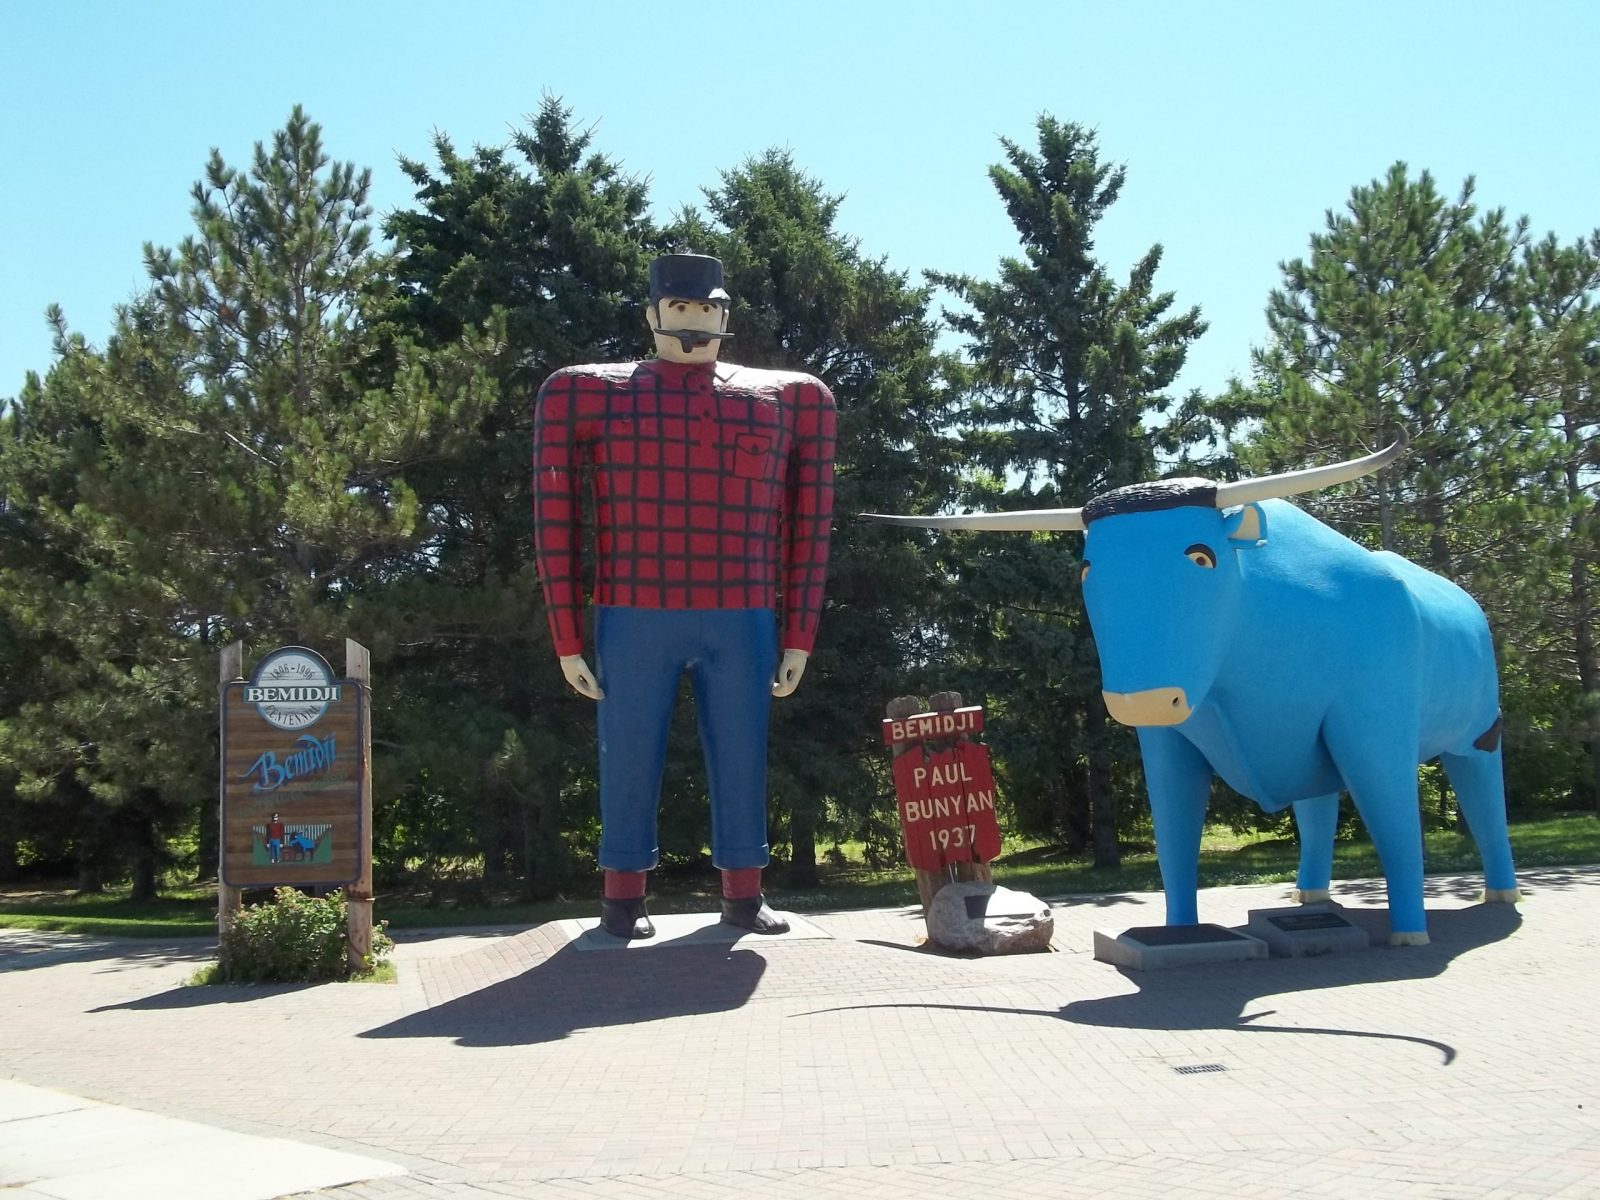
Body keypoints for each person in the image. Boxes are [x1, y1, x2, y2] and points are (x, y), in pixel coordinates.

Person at [533, 253, 837, 940]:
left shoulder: (795, 400)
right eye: (680, 311)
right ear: (652, 316)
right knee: (628, 748)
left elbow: (811, 524)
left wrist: (799, 633)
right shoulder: (585, 393)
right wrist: (567, 636)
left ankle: (743, 893)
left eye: (706, 312)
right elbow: (553, 516)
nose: (693, 325)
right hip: (634, 607)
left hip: (744, 612)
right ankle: (620, 898)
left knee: (742, 752)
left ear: (726, 317)